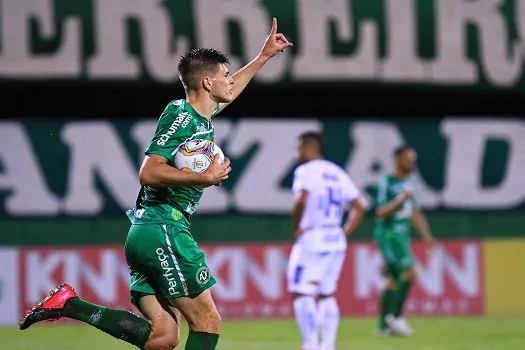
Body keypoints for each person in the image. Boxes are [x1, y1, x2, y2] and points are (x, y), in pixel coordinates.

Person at [19, 18, 293, 350]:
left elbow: (230, 93)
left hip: (145, 231)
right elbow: (148, 172)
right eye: (224, 75)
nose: (229, 81)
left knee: (163, 338)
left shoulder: (200, 117)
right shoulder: (181, 118)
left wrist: (263, 58)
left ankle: (67, 304)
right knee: (207, 322)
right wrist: (202, 177)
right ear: (207, 82)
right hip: (164, 226)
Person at [288, 131, 367, 350]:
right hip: (335, 238)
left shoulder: (305, 171)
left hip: (313, 236)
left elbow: (302, 199)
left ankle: (311, 344)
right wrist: (344, 231)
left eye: (299, 147)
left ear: (310, 147)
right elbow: (360, 206)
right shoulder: (336, 172)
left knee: (301, 291)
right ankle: (328, 345)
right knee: (325, 293)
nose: (297, 153)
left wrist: (296, 226)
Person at [374, 145, 437, 336]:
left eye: (413, 158)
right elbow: (380, 212)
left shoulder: (409, 183)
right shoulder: (387, 181)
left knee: (392, 281)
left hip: (402, 236)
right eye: (408, 158)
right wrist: (399, 201)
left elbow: (415, 212)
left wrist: (427, 236)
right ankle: (397, 317)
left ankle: (384, 326)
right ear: (397, 159)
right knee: (410, 272)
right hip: (388, 234)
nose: (412, 162)